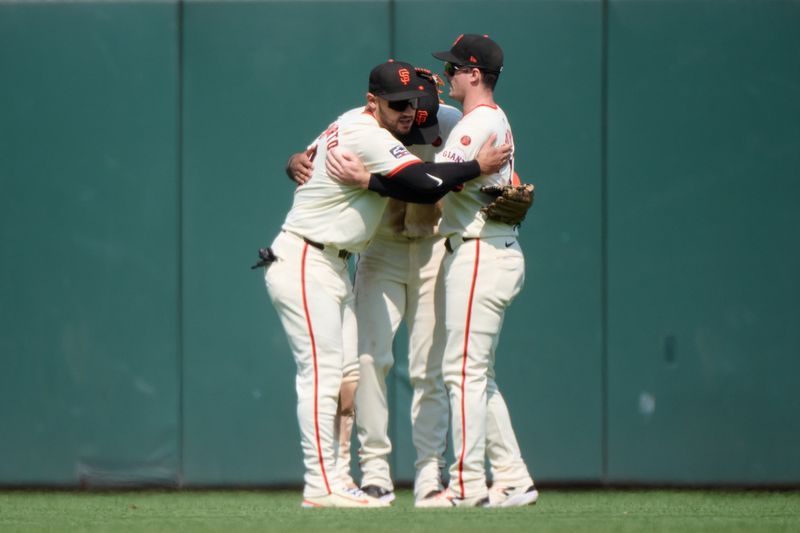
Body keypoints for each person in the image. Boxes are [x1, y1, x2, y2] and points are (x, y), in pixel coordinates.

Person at [261, 60, 510, 508]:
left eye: (417, 104)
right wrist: (294, 162)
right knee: (356, 365)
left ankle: (422, 477)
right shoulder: (364, 127)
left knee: (418, 369)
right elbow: (420, 181)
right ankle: (357, 476)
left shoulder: (447, 120)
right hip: (364, 248)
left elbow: (425, 184)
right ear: (373, 102)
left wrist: (367, 179)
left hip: (420, 246)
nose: (411, 114)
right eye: (401, 104)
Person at [425, 33, 539, 508]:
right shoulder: (491, 118)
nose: (449, 74)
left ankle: (468, 484)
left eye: (454, 68)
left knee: (462, 373)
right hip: (494, 249)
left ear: (476, 74)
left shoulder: (479, 123)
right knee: (478, 375)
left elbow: (434, 183)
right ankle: (512, 478)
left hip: (479, 252)